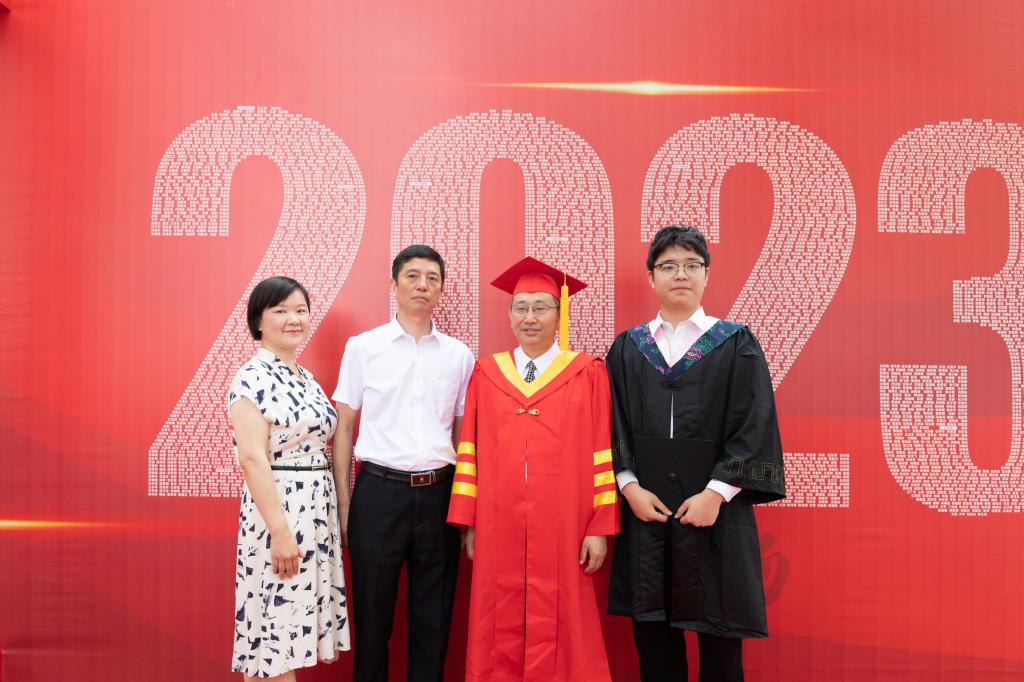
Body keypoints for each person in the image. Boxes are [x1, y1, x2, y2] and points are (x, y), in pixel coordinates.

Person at [606, 225, 787, 682]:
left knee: (720, 642)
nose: (680, 274)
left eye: (692, 265)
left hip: (715, 515)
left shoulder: (734, 342)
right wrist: (628, 487)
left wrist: (716, 493)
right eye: (668, 266)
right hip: (647, 511)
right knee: (654, 644)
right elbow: (611, 423)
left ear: (707, 274)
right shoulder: (628, 348)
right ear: (652, 277)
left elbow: (754, 422)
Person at [447, 256, 620, 682]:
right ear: (509, 315)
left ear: (559, 315)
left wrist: (599, 526)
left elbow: (603, 452)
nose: (530, 317)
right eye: (521, 307)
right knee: (497, 615)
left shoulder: (588, 373)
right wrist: (470, 522)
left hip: (567, 523)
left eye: (541, 307)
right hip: (497, 521)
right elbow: (468, 451)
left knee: (566, 617)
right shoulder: (487, 373)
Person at [333, 245, 474, 682]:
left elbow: (463, 437)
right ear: (393, 285)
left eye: (432, 278)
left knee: (433, 621)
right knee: (372, 619)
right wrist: (344, 503)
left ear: (441, 289)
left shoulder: (459, 355)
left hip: (439, 495)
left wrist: (466, 507)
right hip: (378, 493)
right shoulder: (364, 348)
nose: (422, 285)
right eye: (412, 276)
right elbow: (343, 428)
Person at [229, 276, 350, 680]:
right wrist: (280, 533)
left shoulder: (304, 377)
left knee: (287, 635)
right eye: (280, 311)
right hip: (280, 515)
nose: (293, 319)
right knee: (275, 640)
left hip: (314, 514)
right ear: (258, 321)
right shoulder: (252, 377)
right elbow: (252, 458)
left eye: (300, 310)